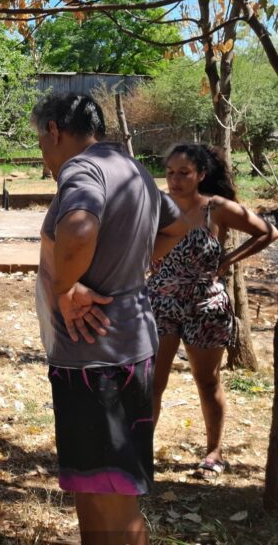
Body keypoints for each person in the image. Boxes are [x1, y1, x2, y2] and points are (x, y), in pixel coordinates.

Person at [33, 94, 186, 545]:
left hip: (98, 361)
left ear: (55, 130)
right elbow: (176, 224)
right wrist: (133, 267)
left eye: (41, 140)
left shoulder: (83, 168)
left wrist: (64, 289)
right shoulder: (132, 170)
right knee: (92, 487)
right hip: (115, 349)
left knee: (114, 495)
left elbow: (79, 228)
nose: (42, 153)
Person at [149, 144, 277, 479]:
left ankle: (214, 452)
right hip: (160, 303)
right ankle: (139, 454)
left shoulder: (215, 208)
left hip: (205, 306)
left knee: (207, 381)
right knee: (151, 383)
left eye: (184, 173)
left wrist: (228, 261)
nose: (175, 180)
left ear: (201, 175)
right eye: (171, 172)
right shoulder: (157, 204)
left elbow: (267, 232)